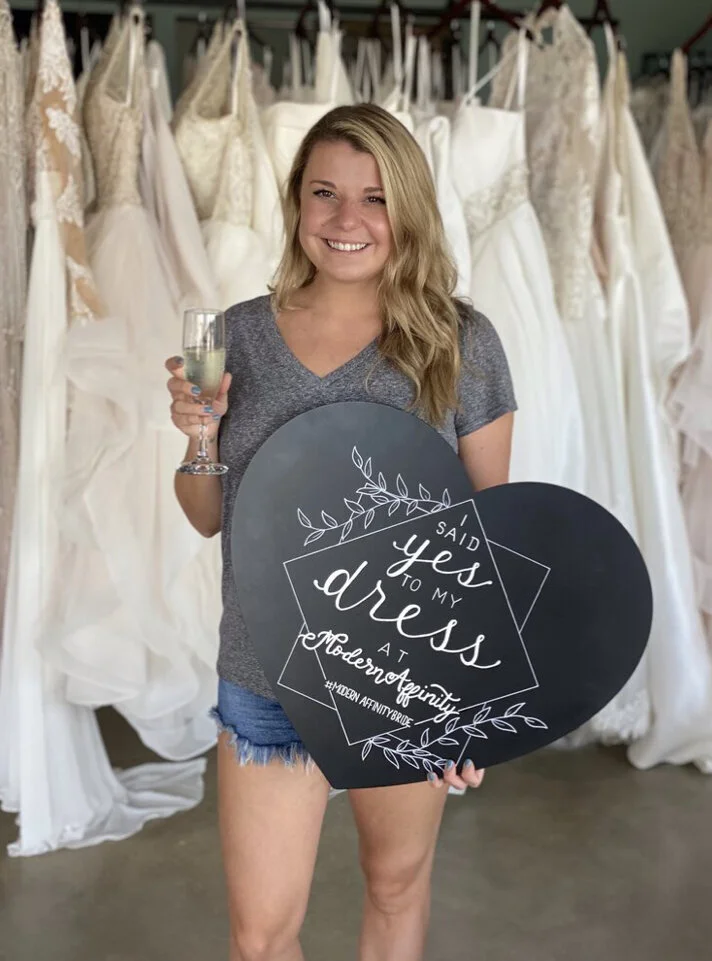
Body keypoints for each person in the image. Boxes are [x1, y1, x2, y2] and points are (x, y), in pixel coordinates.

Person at [166, 104, 516, 961]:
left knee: (395, 885)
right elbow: (210, 516)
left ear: (409, 210)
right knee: (261, 935)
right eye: (324, 193)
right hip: (267, 674)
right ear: (296, 204)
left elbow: (486, 535)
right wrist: (201, 435)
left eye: (374, 198)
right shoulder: (237, 334)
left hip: (402, 675)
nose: (347, 220)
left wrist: (467, 704)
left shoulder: (460, 343)